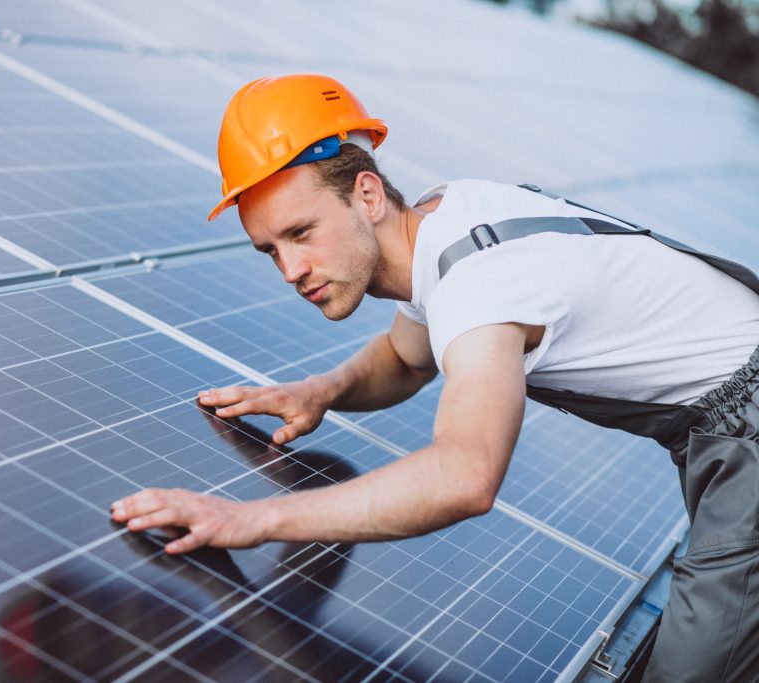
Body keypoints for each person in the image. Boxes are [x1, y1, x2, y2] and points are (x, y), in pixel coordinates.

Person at [110, 73, 759, 681]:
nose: (290, 268)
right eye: (271, 249)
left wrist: (250, 518)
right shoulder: (445, 218)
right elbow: (404, 359)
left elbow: (464, 477)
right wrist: (319, 393)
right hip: (722, 427)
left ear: (366, 193)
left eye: (301, 232)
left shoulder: (477, 285)